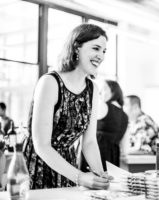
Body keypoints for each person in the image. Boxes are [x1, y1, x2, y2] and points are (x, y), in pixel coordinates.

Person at [23, 24, 112, 189]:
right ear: (76, 47)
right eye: (96, 48)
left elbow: (90, 142)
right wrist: (80, 177)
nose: (101, 56)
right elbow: (41, 144)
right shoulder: (50, 82)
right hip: (38, 167)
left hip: (69, 168)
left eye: (104, 51)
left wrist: (100, 176)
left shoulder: (92, 89)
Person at [81, 80, 128, 171]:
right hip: (113, 157)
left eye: (104, 89)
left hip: (96, 155)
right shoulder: (125, 116)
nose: (100, 92)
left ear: (113, 92)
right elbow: (125, 147)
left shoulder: (102, 106)